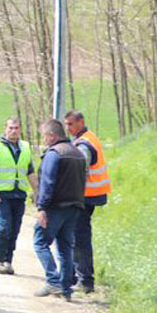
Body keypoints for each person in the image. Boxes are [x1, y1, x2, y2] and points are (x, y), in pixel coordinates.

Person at [32, 118, 87, 301]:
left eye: (45, 136)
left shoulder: (54, 153)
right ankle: (66, 289)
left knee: (40, 242)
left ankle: (53, 280)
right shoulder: (78, 153)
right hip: (75, 207)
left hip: (55, 208)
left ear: (51, 136)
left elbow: (47, 183)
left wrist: (42, 208)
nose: (44, 140)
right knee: (65, 247)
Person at [64, 110, 111, 294]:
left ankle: (85, 281)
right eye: (66, 124)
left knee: (80, 238)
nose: (68, 128)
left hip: (85, 196)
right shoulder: (84, 138)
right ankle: (79, 277)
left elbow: (80, 165)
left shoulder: (85, 143)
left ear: (80, 122)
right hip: (89, 195)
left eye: (70, 124)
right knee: (78, 237)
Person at [0, 117, 38, 275]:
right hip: (2, 195)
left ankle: (8, 261)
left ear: (20, 129)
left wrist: (37, 191)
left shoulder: (25, 147)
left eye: (16, 128)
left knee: (15, 228)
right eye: (10, 128)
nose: (13, 131)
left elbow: (30, 172)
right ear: (5, 128)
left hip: (19, 194)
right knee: (5, 225)